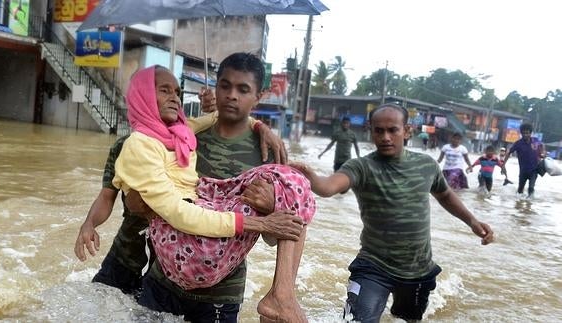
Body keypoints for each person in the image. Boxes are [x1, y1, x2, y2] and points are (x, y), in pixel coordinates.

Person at [118, 58, 315, 322]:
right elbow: (142, 201)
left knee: (295, 183)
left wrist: (269, 207)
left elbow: (274, 234)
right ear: (216, 88)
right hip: (162, 280)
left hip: (221, 293)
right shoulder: (181, 134)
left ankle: (282, 295)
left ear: (258, 97)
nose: (232, 96)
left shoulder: (268, 154)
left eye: (243, 90)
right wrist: (132, 201)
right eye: (225, 86)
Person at [74, 75, 291, 297]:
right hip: (128, 255)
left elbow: (220, 119)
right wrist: (89, 224)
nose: (174, 99)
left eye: (177, 93)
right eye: (164, 91)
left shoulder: (188, 139)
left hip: (170, 266)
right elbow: (106, 196)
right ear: (143, 98)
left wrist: (259, 125)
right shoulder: (126, 146)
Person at [290, 103, 494, 323]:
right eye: (379, 130)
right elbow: (328, 187)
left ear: (407, 131)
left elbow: (445, 195)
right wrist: (310, 175)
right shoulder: (361, 167)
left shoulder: (426, 165)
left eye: (393, 130)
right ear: (371, 131)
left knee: (405, 319)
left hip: (417, 270)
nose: (385, 137)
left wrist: (472, 221)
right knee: (357, 321)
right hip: (373, 266)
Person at [503, 123, 546, 199]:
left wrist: (543, 153)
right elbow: (509, 152)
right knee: (520, 190)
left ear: (530, 133)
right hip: (523, 171)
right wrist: (503, 165)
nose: (525, 135)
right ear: (521, 133)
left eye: (527, 133)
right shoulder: (518, 143)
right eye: (524, 133)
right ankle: (519, 205)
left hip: (534, 170)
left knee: (531, 188)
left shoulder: (535, 141)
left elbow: (542, 145)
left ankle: (529, 206)